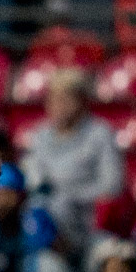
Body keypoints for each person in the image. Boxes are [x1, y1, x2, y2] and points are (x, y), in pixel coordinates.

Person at [20, 69, 123, 257]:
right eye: (54, 99)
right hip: (46, 216)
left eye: (66, 99)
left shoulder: (100, 134)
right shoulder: (40, 136)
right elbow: (32, 177)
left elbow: (112, 185)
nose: (59, 106)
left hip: (86, 219)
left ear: (82, 101)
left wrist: (69, 195)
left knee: (58, 206)